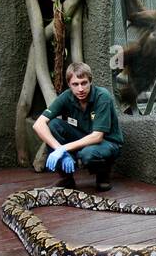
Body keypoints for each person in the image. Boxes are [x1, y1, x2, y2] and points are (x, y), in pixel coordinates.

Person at [32, 62, 123, 191]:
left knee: (88, 154)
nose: (80, 89)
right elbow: (38, 124)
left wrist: (63, 148)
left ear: (90, 81)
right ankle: (66, 178)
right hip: (83, 137)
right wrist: (59, 150)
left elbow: (97, 137)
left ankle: (103, 175)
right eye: (75, 84)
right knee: (53, 125)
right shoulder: (66, 96)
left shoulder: (102, 97)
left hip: (107, 142)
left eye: (84, 83)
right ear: (69, 84)